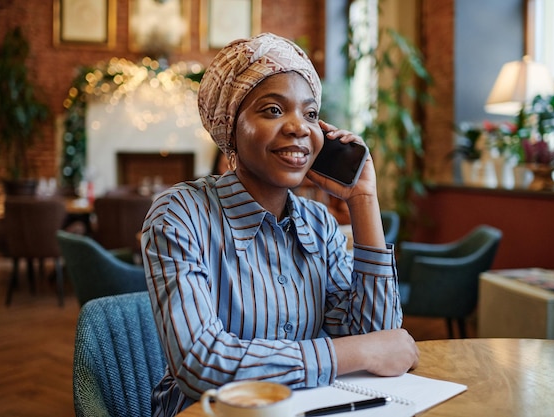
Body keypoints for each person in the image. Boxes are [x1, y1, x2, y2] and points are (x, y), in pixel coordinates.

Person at [141, 32, 418, 416]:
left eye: (310, 113)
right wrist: (354, 352)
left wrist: (363, 200)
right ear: (230, 127)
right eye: (273, 110)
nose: (298, 127)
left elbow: (378, 337)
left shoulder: (319, 224)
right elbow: (201, 363)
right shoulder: (180, 214)